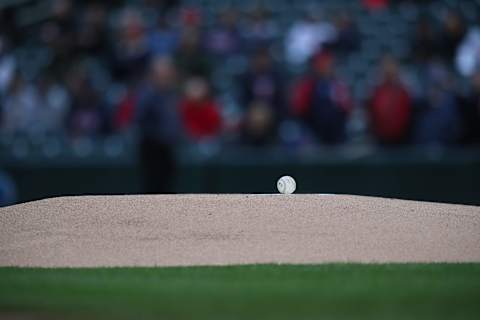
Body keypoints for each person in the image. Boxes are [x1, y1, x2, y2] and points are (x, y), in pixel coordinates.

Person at [136, 56, 180, 193]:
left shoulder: (170, 93)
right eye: (163, 74)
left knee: (168, 187)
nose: (167, 77)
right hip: (152, 148)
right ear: (154, 75)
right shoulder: (147, 94)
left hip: (167, 148)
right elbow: (140, 120)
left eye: (168, 74)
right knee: (153, 188)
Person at [291, 50, 352, 144]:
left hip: (336, 132)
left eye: (328, 65)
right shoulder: (307, 85)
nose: (325, 68)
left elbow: (346, 108)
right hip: (312, 129)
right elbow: (299, 109)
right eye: (322, 65)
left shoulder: (338, 85)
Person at [368, 56, 412, 145]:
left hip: (402, 139)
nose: (388, 70)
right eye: (385, 67)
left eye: (391, 67)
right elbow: (373, 114)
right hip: (381, 140)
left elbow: (408, 114)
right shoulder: (377, 91)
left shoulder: (404, 91)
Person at [179, 76, 222, 142]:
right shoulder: (183, 107)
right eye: (192, 89)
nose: (195, 93)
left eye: (197, 89)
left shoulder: (212, 107)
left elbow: (216, 126)